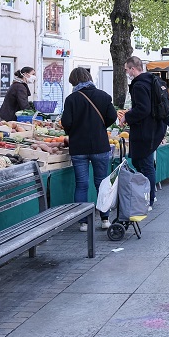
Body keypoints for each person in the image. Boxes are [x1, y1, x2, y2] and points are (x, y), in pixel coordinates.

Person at [60, 67, 117, 231]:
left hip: (78, 147)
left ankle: (83, 221)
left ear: (74, 81)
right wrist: (100, 127)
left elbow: (66, 122)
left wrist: (74, 132)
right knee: (101, 183)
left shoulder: (71, 99)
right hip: (100, 145)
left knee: (81, 184)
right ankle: (105, 219)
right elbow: (112, 116)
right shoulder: (104, 96)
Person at [122, 57, 167, 207]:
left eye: (127, 69)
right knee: (143, 162)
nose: (127, 72)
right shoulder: (151, 80)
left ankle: (149, 198)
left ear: (133, 69)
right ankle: (147, 195)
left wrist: (127, 116)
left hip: (145, 131)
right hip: (153, 128)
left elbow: (143, 109)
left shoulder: (139, 85)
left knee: (146, 164)